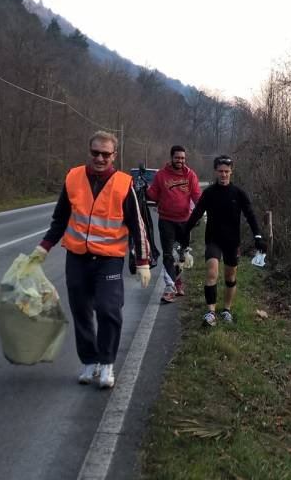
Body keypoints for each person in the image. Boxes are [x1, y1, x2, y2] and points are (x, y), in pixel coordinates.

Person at [30, 130, 152, 389]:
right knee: (81, 311)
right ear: (89, 151)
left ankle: (106, 364)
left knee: (108, 309)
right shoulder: (73, 178)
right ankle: (89, 361)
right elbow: (60, 219)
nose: (100, 158)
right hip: (77, 258)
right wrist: (44, 247)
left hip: (108, 259)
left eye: (105, 154)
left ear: (114, 156)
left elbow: (137, 224)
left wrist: (142, 262)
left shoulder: (123, 183)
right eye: (95, 152)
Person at [183, 155, 266, 327]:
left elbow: (250, 215)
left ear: (231, 172)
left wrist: (257, 236)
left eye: (227, 172)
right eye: (220, 171)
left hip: (232, 242)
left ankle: (227, 309)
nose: (223, 175)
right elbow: (197, 213)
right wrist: (185, 232)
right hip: (213, 239)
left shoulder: (239, 193)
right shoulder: (209, 193)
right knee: (212, 273)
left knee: (230, 276)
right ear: (215, 172)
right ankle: (211, 312)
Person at [146, 145, 201, 304]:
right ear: (171, 158)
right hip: (166, 221)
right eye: (177, 158)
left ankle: (178, 282)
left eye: (183, 158)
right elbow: (153, 194)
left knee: (181, 255)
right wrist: (144, 190)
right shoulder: (162, 175)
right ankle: (169, 289)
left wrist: (201, 212)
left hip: (185, 221)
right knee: (169, 255)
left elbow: (197, 196)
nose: (180, 161)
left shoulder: (190, 175)